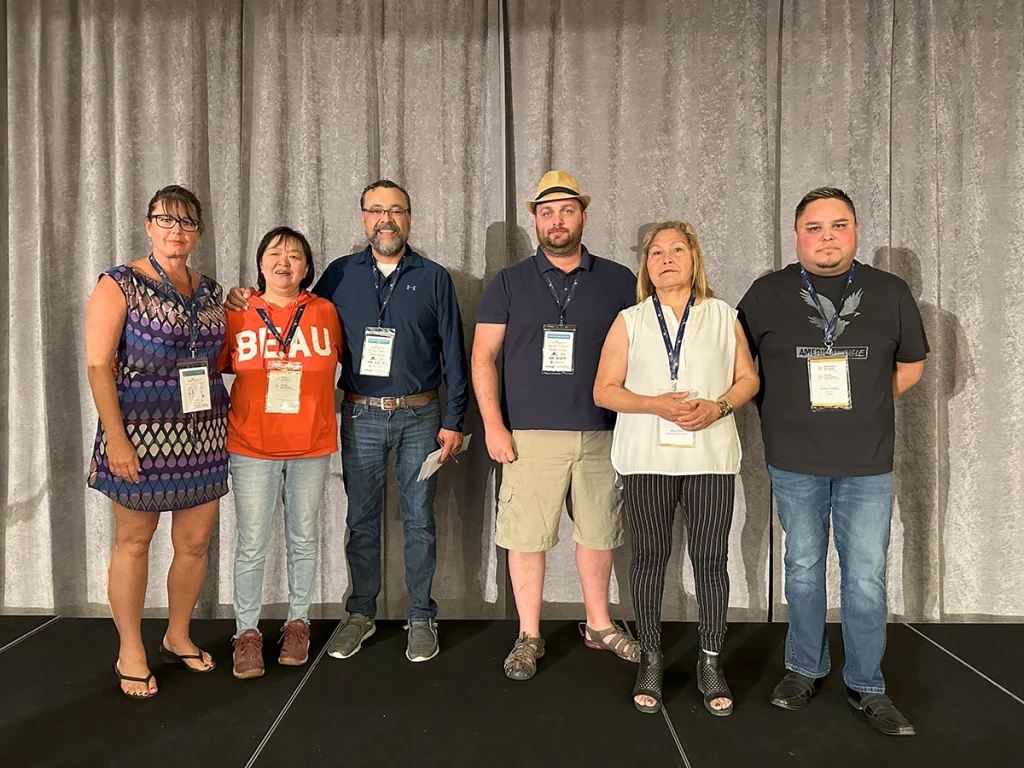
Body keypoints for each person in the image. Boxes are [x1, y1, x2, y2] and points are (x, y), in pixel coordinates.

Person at [227, 180, 468, 663]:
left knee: (420, 520)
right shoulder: (339, 275)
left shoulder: (434, 276)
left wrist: (455, 419)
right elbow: (289, 309)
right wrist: (244, 297)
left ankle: (421, 615)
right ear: (362, 218)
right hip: (359, 414)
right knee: (360, 520)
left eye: (396, 210)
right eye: (376, 210)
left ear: (409, 219)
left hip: (422, 415)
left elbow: (455, 354)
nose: (386, 219)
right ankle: (360, 613)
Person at [737, 187, 928, 736]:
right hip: (793, 460)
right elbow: (741, 368)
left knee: (865, 577)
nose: (826, 237)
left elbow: (910, 365)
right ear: (796, 235)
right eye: (814, 227)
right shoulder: (766, 293)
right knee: (802, 568)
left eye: (838, 225)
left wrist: (864, 401)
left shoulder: (890, 292)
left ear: (855, 231)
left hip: (867, 462)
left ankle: (868, 684)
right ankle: (803, 667)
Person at [472, 170, 639, 681]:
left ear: (583, 216)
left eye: (567, 210)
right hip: (529, 436)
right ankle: (529, 633)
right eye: (547, 212)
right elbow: (483, 357)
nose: (557, 220)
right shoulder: (509, 282)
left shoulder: (618, 280)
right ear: (536, 222)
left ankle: (598, 624)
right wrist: (494, 427)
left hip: (601, 431)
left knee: (599, 531)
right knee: (526, 536)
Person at [594, 221, 759, 715]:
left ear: (694, 258)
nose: (666, 258)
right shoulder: (629, 320)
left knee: (710, 561)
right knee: (648, 561)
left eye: (677, 250)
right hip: (647, 460)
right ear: (646, 265)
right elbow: (604, 390)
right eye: (656, 252)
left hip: (709, 458)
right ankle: (650, 657)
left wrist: (720, 408)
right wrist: (655, 405)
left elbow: (748, 378)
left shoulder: (722, 314)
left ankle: (710, 660)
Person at [85, 185, 227, 699]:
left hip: (205, 432)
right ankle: (130, 648)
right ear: (148, 225)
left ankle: (178, 633)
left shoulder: (211, 290)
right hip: (140, 432)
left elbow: (221, 357)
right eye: (166, 220)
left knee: (193, 544)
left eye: (187, 222)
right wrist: (117, 440)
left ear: (198, 232)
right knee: (135, 542)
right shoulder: (119, 283)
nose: (176, 230)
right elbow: (99, 365)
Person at [218, 226, 342, 679]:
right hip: (252, 444)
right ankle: (246, 633)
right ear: (260, 262)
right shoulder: (238, 311)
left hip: (311, 443)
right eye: (275, 252)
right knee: (252, 543)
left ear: (308, 268)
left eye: (295, 255)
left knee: (304, 539)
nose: (284, 261)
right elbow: (211, 366)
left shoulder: (326, 311)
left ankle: (298, 623)